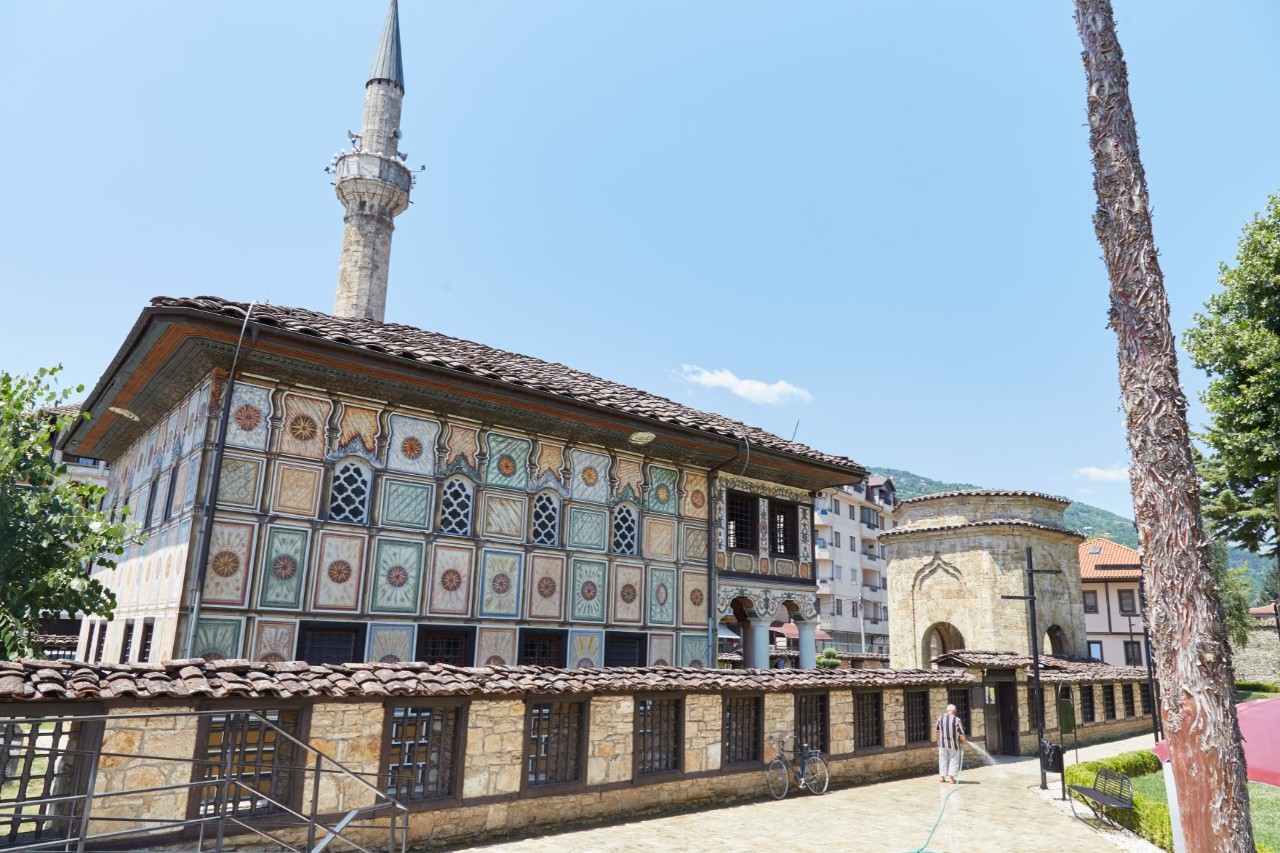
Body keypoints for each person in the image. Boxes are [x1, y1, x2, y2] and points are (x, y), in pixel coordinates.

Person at [936, 703, 967, 784]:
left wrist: (938, 740)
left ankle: (942, 777)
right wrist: (964, 740)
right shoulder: (956, 720)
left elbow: (937, 731)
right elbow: (961, 733)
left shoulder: (940, 718)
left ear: (947, 711)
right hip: (953, 744)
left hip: (942, 744)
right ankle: (952, 779)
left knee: (942, 760)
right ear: (955, 711)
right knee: (953, 760)